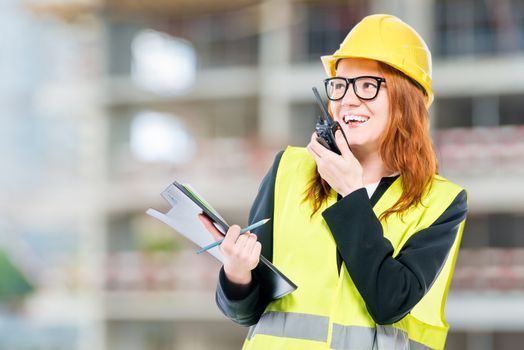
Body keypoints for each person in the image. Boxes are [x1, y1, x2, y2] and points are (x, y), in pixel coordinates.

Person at [199, 14, 467, 350]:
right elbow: (248, 312)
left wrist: (353, 194)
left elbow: (389, 302)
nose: (348, 99)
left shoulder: (441, 202)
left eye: (368, 85)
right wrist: (237, 273)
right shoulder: (289, 170)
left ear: (406, 100)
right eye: (340, 85)